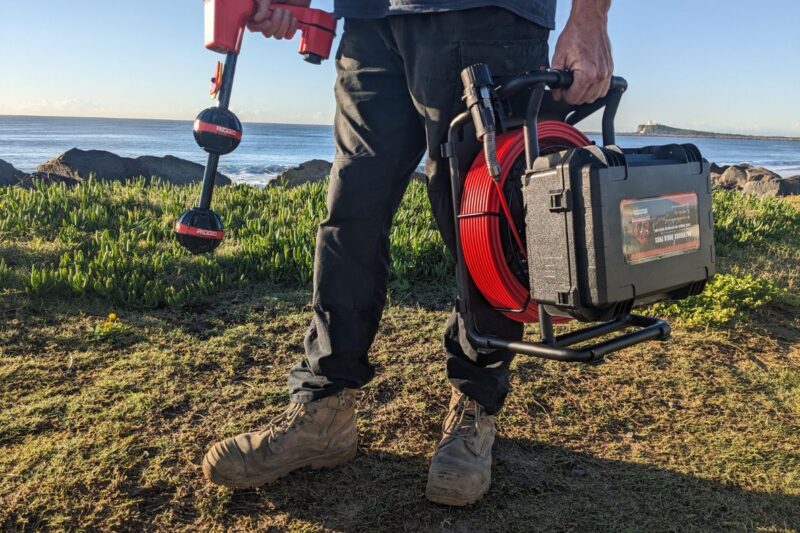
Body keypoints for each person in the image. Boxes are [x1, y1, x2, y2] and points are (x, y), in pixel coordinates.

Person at [202, 0, 614, 506]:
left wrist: (590, 17)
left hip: (489, 16)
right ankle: (324, 408)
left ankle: (475, 406)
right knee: (350, 209)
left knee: (483, 219)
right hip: (370, 20)